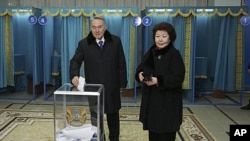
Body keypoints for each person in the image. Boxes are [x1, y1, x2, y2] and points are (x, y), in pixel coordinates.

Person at [70, 16, 127, 141]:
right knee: (97, 119)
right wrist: (74, 74)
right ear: (91, 28)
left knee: (113, 118)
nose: (97, 30)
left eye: (99, 27)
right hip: (94, 89)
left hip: (112, 87)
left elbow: (121, 63)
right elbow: (75, 61)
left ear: (105, 27)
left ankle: (114, 139)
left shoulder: (116, 41)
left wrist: (122, 83)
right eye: (94, 27)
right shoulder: (84, 44)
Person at [135, 22, 185, 141]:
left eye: (164, 36)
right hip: (152, 103)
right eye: (157, 36)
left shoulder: (174, 55)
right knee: (154, 134)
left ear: (170, 38)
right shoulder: (152, 51)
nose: (160, 39)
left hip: (168, 103)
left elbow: (178, 78)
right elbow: (141, 67)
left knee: (165, 134)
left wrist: (158, 80)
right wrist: (140, 74)